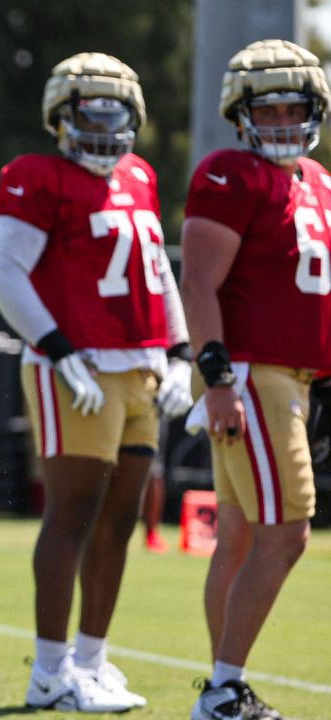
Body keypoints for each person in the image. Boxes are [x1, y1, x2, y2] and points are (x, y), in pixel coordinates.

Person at [0, 53, 193, 712]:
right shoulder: (35, 175)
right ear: (61, 116)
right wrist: (58, 348)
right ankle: (48, 670)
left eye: (115, 111)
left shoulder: (141, 175)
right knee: (72, 513)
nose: (104, 122)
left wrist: (182, 351)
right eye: (90, 110)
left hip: (140, 365)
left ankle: (92, 661)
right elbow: (2, 272)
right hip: (74, 367)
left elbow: (156, 265)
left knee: (121, 519)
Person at [179, 39, 331, 720]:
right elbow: (199, 282)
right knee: (289, 531)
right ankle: (223, 689)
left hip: (291, 380)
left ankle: (223, 685)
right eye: (267, 111)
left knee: (239, 533)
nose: (282, 122)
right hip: (251, 376)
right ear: (242, 114)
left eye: (294, 108)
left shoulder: (319, 181)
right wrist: (215, 377)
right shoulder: (229, 174)